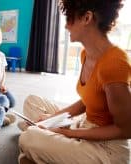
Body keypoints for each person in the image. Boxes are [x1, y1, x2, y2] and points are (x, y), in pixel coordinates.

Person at [18, 0, 131, 164]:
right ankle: (44, 140)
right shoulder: (86, 54)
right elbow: (87, 101)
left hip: (106, 149)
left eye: (70, 18)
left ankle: (41, 142)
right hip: (84, 124)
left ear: (87, 18)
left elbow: (126, 130)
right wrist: (52, 118)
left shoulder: (115, 63)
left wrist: (69, 134)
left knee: (28, 137)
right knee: (31, 102)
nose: (66, 26)